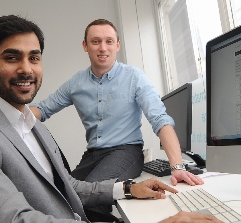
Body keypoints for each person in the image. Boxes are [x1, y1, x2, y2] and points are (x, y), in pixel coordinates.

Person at [0, 15, 238, 223]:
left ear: (117, 45)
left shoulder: (31, 125)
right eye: (12, 57)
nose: (26, 68)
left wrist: (132, 186)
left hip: (119, 159)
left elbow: (69, 188)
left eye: (33, 58)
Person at [30, 19, 203, 187]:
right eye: (96, 41)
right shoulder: (76, 83)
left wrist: (177, 167)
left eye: (109, 41)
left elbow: (160, 120)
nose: (103, 48)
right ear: (85, 46)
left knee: (91, 194)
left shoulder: (135, 77)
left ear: (117, 45)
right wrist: (7, 115)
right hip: (92, 155)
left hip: (126, 152)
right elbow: (43, 109)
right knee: (62, 194)